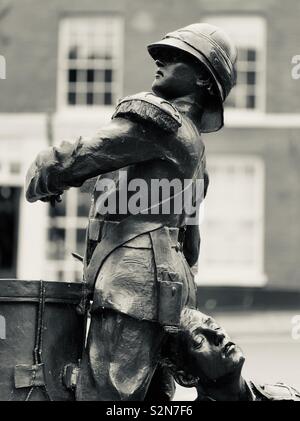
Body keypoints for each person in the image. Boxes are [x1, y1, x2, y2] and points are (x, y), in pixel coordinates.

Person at [25, 23, 237, 401]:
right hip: (173, 289)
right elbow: (192, 240)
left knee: (106, 395)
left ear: (204, 80)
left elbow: (79, 156)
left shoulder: (159, 122)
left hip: (131, 284)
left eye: (175, 57)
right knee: (154, 401)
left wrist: (43, 176)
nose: (160, 60)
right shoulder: (197, 152)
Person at [162, 308, 300, 401]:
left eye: (214, 326)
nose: (219, 334)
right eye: (199, 341)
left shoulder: (287, 396)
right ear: (186, 377)